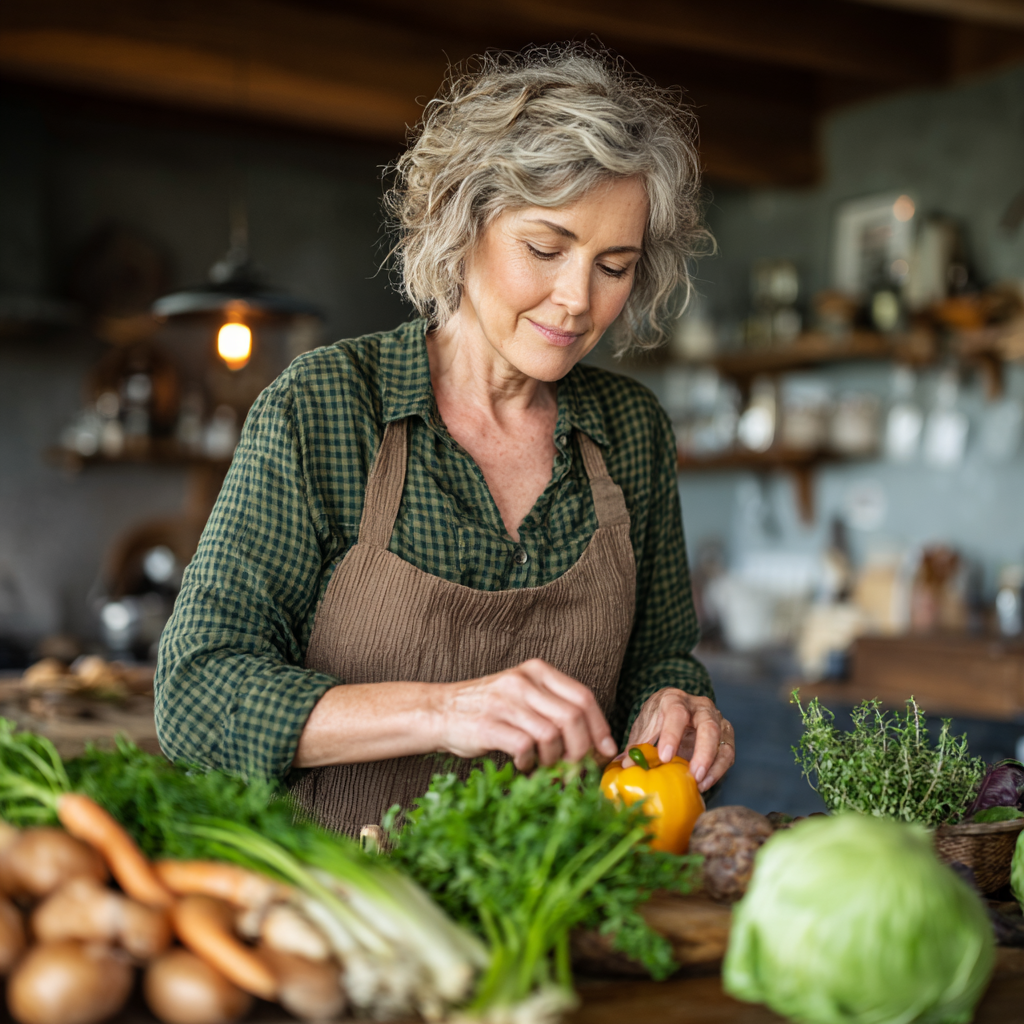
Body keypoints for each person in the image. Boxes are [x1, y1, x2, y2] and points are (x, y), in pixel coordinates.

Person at [155, 44, 736, 836]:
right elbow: (196, 695)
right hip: (339, 913)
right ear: (462, 225)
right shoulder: (330, 406)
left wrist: (677, 703)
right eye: (545, 248)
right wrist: (447, 710)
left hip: (555, 908)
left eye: (614, 265)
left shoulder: (629, 431)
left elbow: (659, 661)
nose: (576, 300)